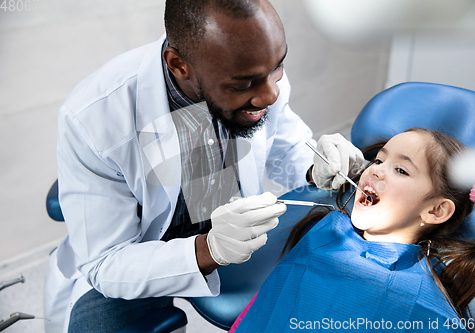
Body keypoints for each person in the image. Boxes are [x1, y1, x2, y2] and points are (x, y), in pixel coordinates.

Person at [43, 0, 364, 332]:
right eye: (244, 84)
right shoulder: (94, 117)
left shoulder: (256, 65)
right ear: (179, 65)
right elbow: (107, 263)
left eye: (278, 67)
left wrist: (317, 167)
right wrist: (209, 249)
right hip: (140, 253)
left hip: (235, 226)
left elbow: (285, 147)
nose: (270, 95)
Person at [230, 128, 475, 332]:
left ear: (436, 210)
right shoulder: (325, 232)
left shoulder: (420, 304)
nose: (376, 171)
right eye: (379, 161)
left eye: (401, 170)